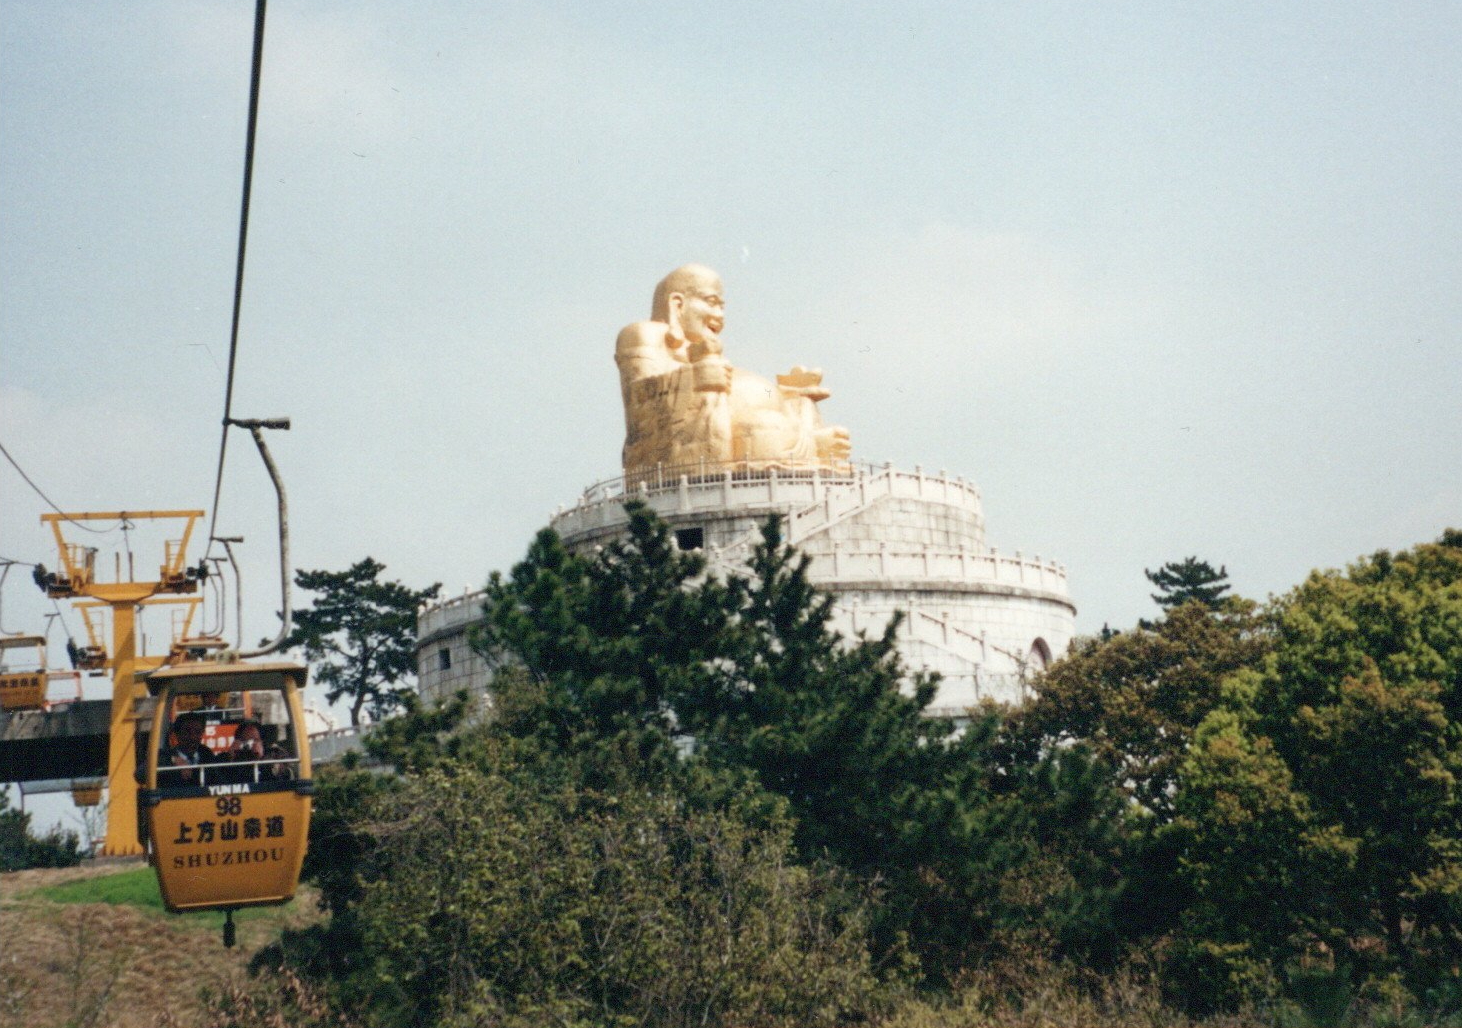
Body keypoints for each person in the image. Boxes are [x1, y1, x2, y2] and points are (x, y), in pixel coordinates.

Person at [615, 265, 851, 478]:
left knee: (800, 404)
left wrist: (788, 394)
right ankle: (809, 445)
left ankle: (809, 443)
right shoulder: (644, 333)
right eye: (711, 302)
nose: (719, 315)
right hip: (702, 447)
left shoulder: (702, 350)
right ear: (677, 304)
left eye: (722, 306)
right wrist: (696, 378)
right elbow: (640, 408)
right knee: (762, 423)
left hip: (755, 432)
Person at [158, 710, 216, 786]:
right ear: (177, 734)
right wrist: (173, 760)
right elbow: (140, 774)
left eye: (197, 732)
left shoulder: (207, 755)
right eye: (187, 732)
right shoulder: (165, 756)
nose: (192, 737)